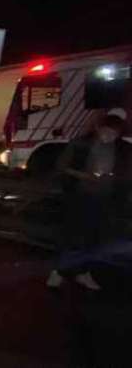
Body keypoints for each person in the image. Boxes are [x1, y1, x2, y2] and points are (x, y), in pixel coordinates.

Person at [47, 110, 132, 290]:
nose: (108, 137)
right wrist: (84, 176)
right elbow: (62, 166)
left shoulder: (122, 149)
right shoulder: (81, 144)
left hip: (106, 199)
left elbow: (126, 173)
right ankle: (59, 272)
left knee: (95, 239)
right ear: (98, 128)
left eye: (114, 134)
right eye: (106, 132)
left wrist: (114, 177)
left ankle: (83, 272)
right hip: (80, 196)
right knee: (74, 236)